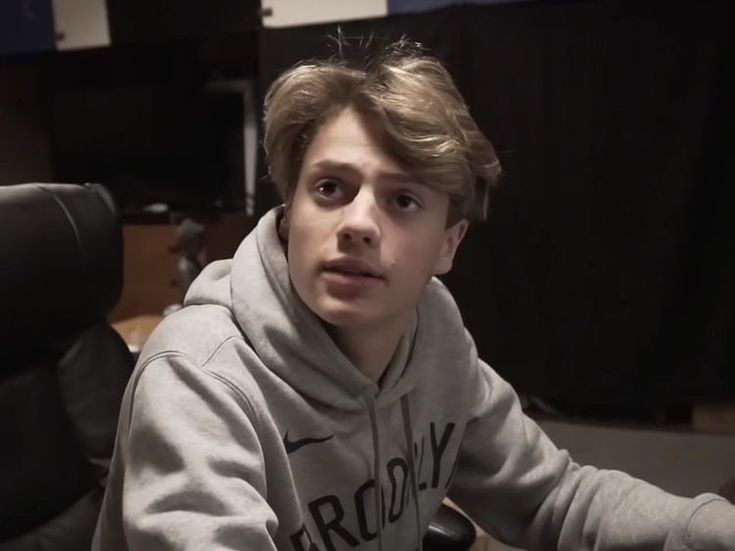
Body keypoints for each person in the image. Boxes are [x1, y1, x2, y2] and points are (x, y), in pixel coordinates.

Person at [93, 40, 735, 550]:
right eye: (330, 189)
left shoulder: (433, 334)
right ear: (289, 211)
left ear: (448, 246)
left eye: (403, 200)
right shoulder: (199, 377)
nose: (358, 223)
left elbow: (554, 500)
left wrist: (711, 529)